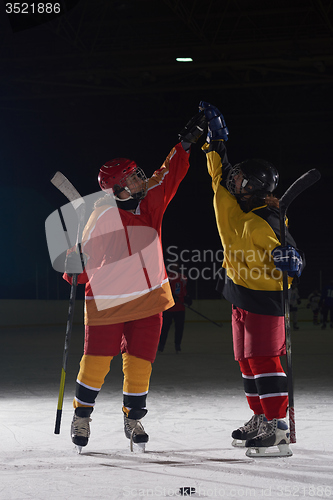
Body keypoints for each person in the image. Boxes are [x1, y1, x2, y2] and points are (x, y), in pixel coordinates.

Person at [63, 112, 207, 452]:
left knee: (141, 362)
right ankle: (82, 415)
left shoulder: (150, 200)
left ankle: (133, 417)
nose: (142, 180)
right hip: (107, 301)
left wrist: (185, 143)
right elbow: (81, 268)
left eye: (138, 174)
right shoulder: (101, 218)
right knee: (96, 363)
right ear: (119, 189)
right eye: (134, 177)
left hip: (149, 298)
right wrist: (73, 266)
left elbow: (166, 174)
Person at [200, 101, 304, 457]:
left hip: (266, 299)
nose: (234, 178)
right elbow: (219, 168)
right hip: (239, 296)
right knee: (246, 361)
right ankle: (260, 417)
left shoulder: (269, 221)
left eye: (241, 178)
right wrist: (216, 139)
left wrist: (293, 262)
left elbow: (291, 256)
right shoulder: (230, 199)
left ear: (254, 188)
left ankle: (278, 428)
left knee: (263, 360)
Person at [158, 262, 192, 353]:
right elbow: (163, 290)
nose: (175, 266)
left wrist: (187, 298)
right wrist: (171, 296)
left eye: (176, 265)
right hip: (168, 308)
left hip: (180, 308)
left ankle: (178, 346)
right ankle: (161, 346)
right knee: (165, 328)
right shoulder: (166, 277)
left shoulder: (183, 277)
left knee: (179, 328)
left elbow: (186, 290)